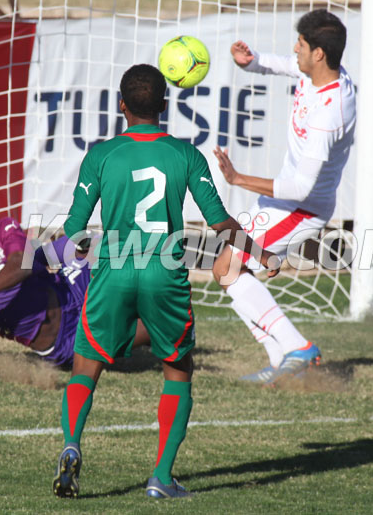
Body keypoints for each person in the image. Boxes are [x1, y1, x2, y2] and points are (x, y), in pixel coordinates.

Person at [52, 64, 280, 500]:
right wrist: (262, 253)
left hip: (115, 270)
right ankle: (160, 476)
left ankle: (72, 443)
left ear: (121, 105)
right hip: (165, 274)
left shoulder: (101, 155)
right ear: (164, 104)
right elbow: (220, 222)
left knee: (86, 365)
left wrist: (84, 249)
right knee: (177, 368)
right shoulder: (185, 155)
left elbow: (74, 229)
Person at [211, 9, 356, 384]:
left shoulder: (330, 113)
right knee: (227, 269)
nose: (295, 49)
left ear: (318, 53)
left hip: (302, 207)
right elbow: (284, 65)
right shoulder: (317, 73)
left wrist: (238, 178)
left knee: (228, 268)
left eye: (301, 44)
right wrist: (253, 61)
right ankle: (279, 361)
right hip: (284, 201)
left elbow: (302, 188)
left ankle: (297, 347)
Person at [0, 183, 153, 367]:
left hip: (70, 289)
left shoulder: (2, 228)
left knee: (102, 245)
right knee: (157, 325)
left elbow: (22, 265)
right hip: (65, 340)